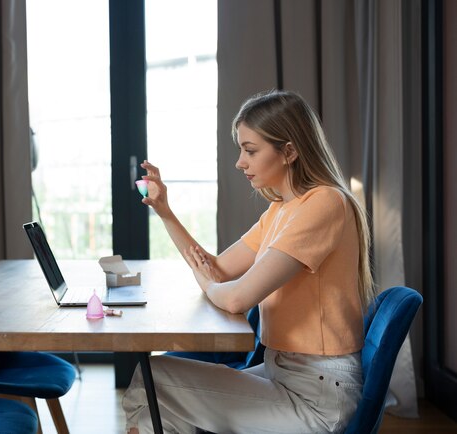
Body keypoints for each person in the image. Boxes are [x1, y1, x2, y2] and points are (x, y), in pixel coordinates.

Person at [122, 89, 375, 434]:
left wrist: (212, 286)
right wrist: (165, 211)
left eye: (250, 150)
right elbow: (217, 269)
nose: (240, 162)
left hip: (316, 397)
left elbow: (237, 297)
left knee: (150, 380)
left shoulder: (325, 204)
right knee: (164, 404)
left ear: (289, 151)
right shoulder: (281, 210)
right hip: (284, 373)